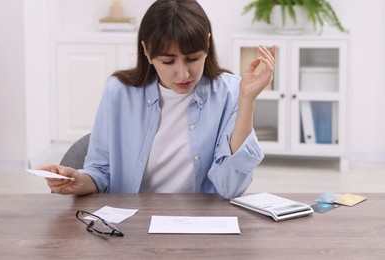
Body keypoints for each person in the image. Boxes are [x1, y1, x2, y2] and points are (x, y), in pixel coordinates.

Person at [42, 0, 275, 199]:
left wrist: (247, 101)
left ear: (207, 43)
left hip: (202, 226)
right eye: (168, 62)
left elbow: (230, 188)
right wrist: (80, 181)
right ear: (147, 51)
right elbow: (101, 172)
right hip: (132, 227)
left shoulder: (231, 92)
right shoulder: (118, 92)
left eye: (193, 58)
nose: (183, 74)